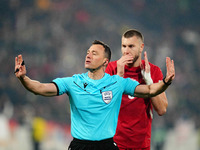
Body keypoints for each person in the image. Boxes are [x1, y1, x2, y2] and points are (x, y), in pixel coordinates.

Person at [14, 40, 175, 150]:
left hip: (106, 146)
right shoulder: (73, 82)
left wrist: (166, 82)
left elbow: (150, 91)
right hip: (79, 146)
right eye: (88, 52)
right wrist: (23, 78)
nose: (88, 55)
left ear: (105, 61)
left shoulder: (118, 83)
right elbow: (40, 88)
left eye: (94, 53)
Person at [105, 29, 170, 150]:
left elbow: (161, 109)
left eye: (131, 46)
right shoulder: (111, 69)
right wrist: (119, 75)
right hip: (113, 143)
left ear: (141, 47)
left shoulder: (153, 71)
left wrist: (149, 81)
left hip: (141, 145)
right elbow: (104, 104)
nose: (126, 51)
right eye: (123, 46)